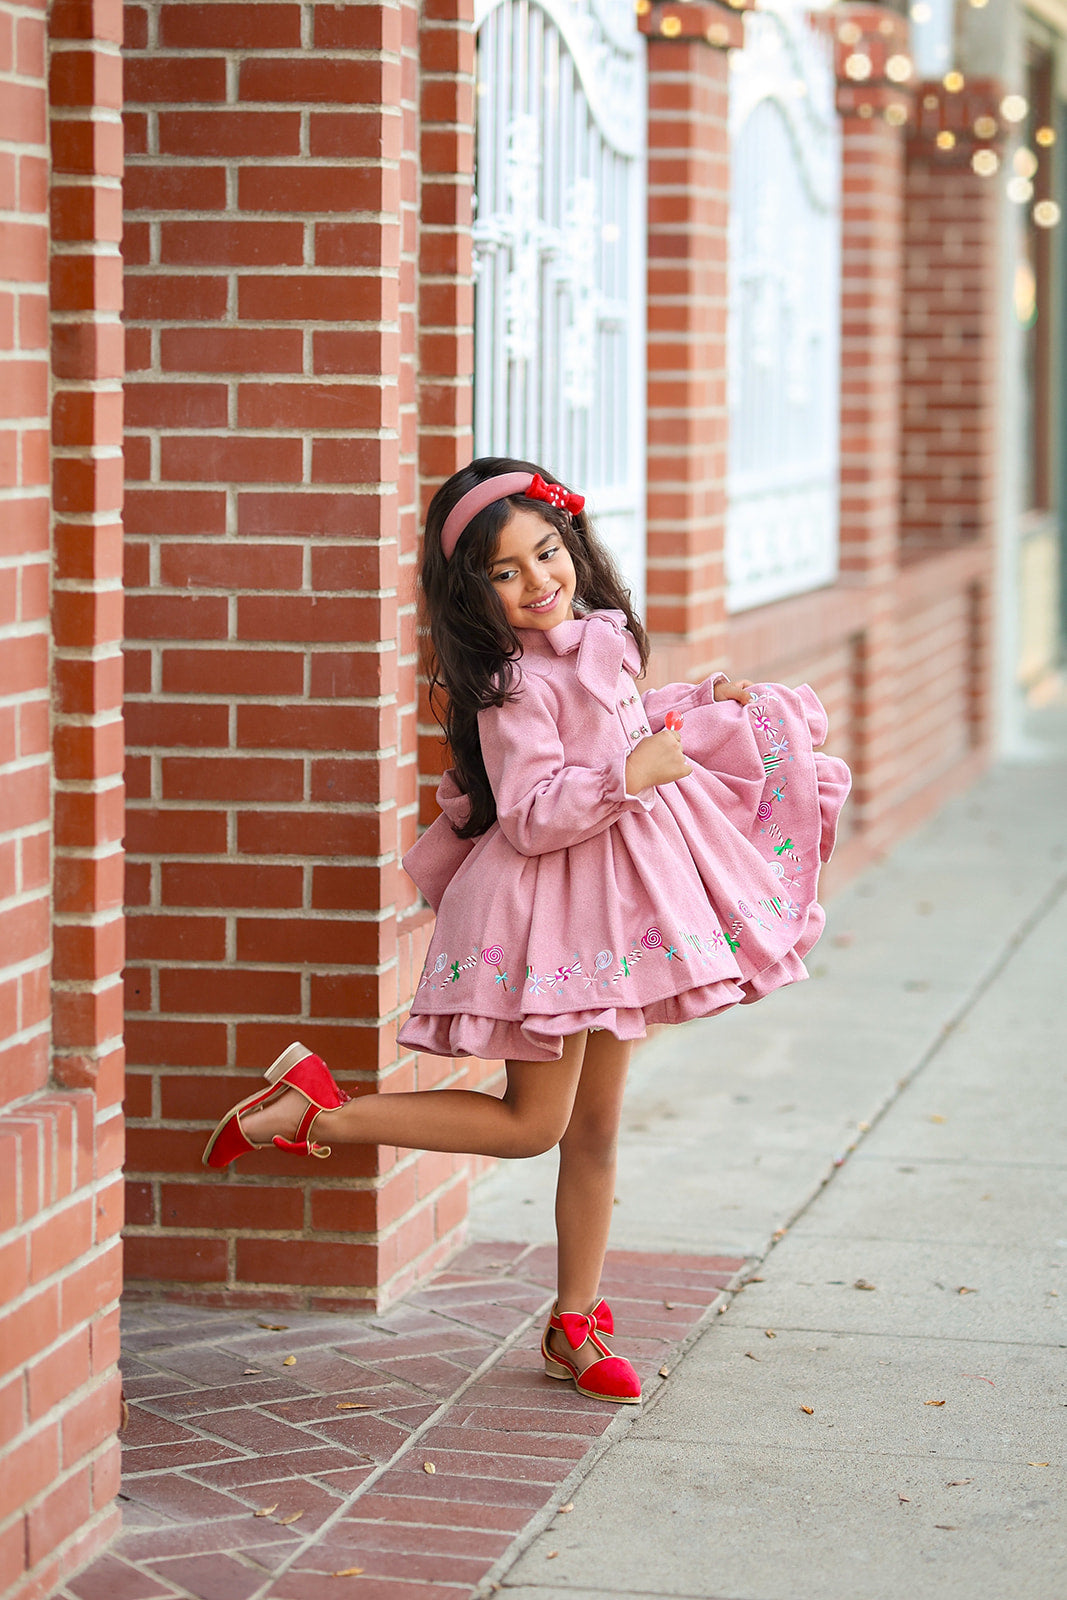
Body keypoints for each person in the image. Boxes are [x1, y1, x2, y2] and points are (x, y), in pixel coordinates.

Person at [202, 457, 851, 1405]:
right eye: (507, 572)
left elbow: (621, 719)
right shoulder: (508, 688)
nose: (538, 581)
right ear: (476, 594)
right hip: (554, 914)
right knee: (530, 1125)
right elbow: (533, 813)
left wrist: (697, 701)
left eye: (546, 553)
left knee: (594, 1128)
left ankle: (574, 1323)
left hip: (618, 911)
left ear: (573, 549)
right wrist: (635, 774)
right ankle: (318, 1112)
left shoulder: (597, 637)